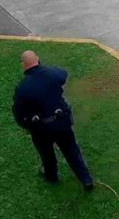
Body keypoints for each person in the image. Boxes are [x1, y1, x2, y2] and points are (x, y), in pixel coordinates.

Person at [13, 51, 94, 190]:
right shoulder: (52, 74)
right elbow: (63, 74)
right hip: (61, 121)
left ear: (23, 65)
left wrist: (28, 126)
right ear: (38, 60)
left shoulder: (22, 88)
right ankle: (86, 180)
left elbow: (18, 113)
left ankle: (51, 176)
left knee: (47, 154)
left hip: (40, 128)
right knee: (72, 151)